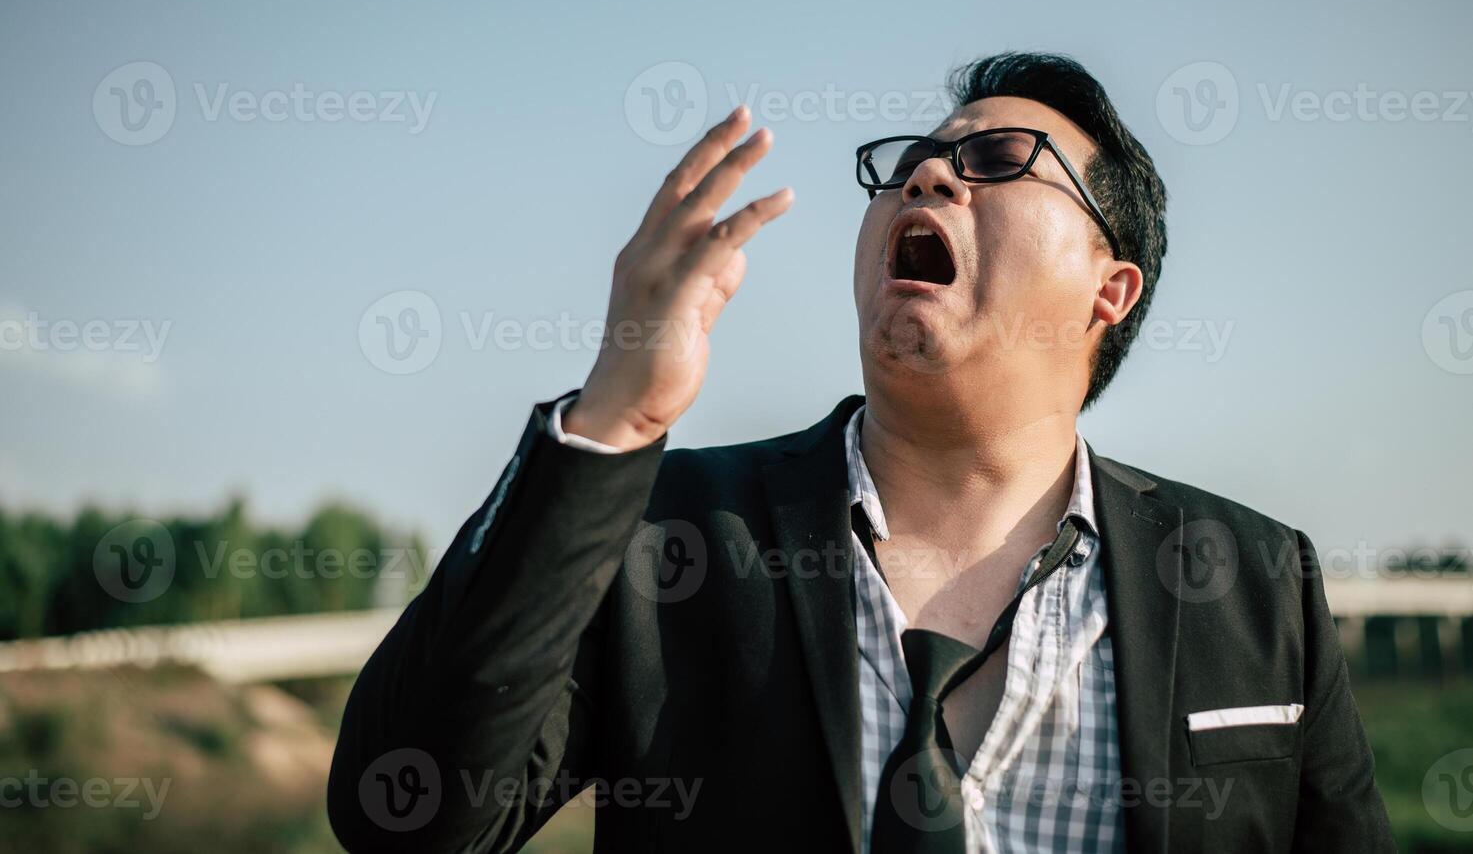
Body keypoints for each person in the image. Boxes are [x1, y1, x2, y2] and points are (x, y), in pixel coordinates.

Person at [328, 52, 1394, 853]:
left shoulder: (1256, 581)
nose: (928, 174)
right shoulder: (671, 531)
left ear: (1110, 288)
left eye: (994, 160)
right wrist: (615, 413)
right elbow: (404, 807)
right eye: (913, 162)